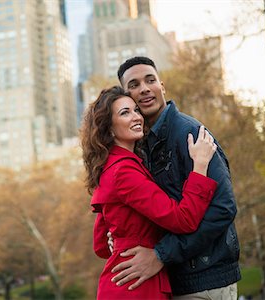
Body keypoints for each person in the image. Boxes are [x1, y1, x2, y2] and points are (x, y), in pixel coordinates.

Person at [111, 56, 240, 299]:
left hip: (205, 281)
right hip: (173, 281)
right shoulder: (140, 146)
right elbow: (159, 210)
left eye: (150, 80)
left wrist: (161, 254)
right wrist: (120, 235)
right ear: (127, 97)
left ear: (162, 86)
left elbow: (223, 207)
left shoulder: (189, 133)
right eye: (134, 84)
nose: (145, 88)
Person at [80, 85, 218, 299]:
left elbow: (101, 244)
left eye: (136, 110)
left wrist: (120, 240)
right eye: (125, 113)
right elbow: (183, 220)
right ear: (108, 129)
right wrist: (200, 166)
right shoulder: (123, 171)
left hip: (126, 282)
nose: (137, 117)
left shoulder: (110, 166)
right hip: (136, 288)